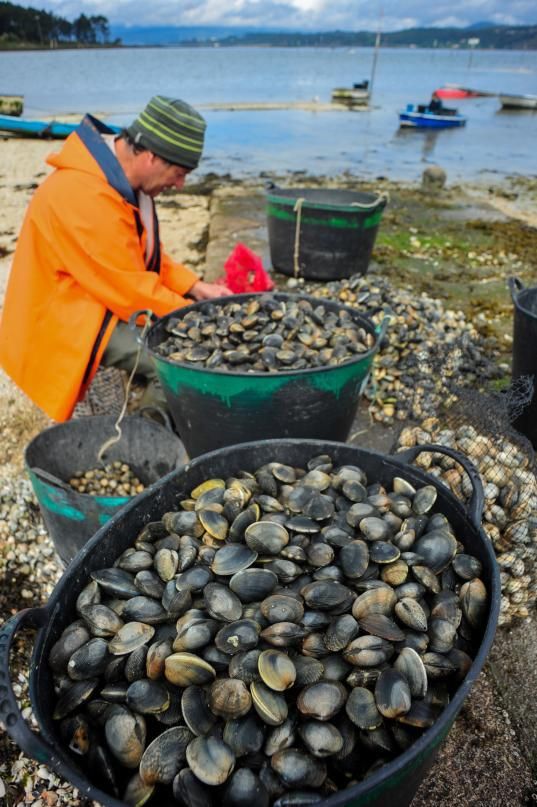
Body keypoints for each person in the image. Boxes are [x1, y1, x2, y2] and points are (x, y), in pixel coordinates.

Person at [0, 95, 232, 421]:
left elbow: (141, 255)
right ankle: (145, 441)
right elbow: (130, 291)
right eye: (179, 173)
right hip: (62, 315)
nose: (180, 185)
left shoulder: (116, 176)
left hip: (95, 294)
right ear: (151, 157)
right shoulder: (84, 193)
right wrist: (205, 319)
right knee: (175, 363)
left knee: (179, 339)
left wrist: (195, 287)